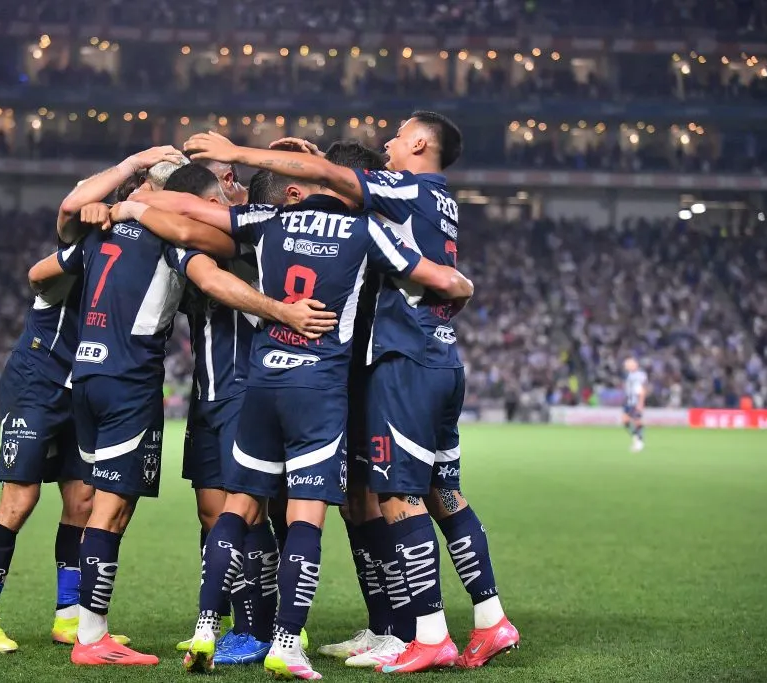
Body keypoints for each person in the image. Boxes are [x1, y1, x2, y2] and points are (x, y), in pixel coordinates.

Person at [186, 114, 520, 673]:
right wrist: (459, 283)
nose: (388, 142)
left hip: (395, 364)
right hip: (433, 358)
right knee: (438, 493)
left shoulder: (399, 193)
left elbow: (328, 178)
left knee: (392, 499)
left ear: (419, 144)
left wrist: (235, 150)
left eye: (398, 135)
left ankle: (420, 632)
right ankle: (483, 620)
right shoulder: (436, 203)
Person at [40, 161, 336, 667]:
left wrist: (123, 206)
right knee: (207, 509)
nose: (226, 188)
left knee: (244, 511)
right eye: (218, 181)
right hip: (201, 394)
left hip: (244, 390)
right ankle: (120, 629)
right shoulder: (158, 231)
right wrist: (126, 208)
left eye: (231, 178)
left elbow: (45, 265)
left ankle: (258, 625)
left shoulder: (248, 229)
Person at [0, 146, 184, 655]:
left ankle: (68, 615)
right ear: (135, 193)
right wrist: (132, 165)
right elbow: (65, 217)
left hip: (86, 382)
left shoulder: (147, 244)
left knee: (81, 502)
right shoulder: (96, 231)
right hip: (41, 377)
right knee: (20, 499)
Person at [622, 357, 647, 452]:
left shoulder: (639, 375)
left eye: (628, 365)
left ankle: (639, 441)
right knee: (625, 421)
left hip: (635, 402)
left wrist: (640, 403)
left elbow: (642, 390)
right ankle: (636, 438)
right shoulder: (629, 375)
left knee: (637, 421)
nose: (626, 366)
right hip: (628, 401)